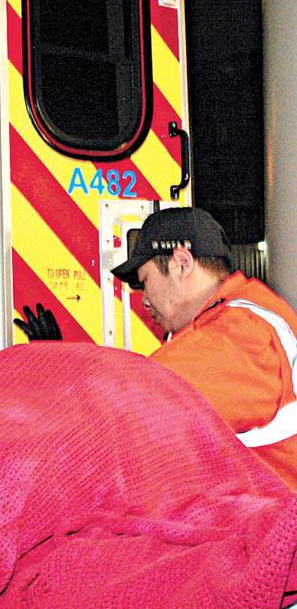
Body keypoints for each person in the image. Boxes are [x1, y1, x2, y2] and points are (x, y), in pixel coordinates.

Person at [110, 206, 297, 490]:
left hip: (275, 512)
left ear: (182, 264)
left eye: (145, 281)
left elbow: (134, 405)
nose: (145, 300)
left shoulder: (241, 334)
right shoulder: (242, 315)